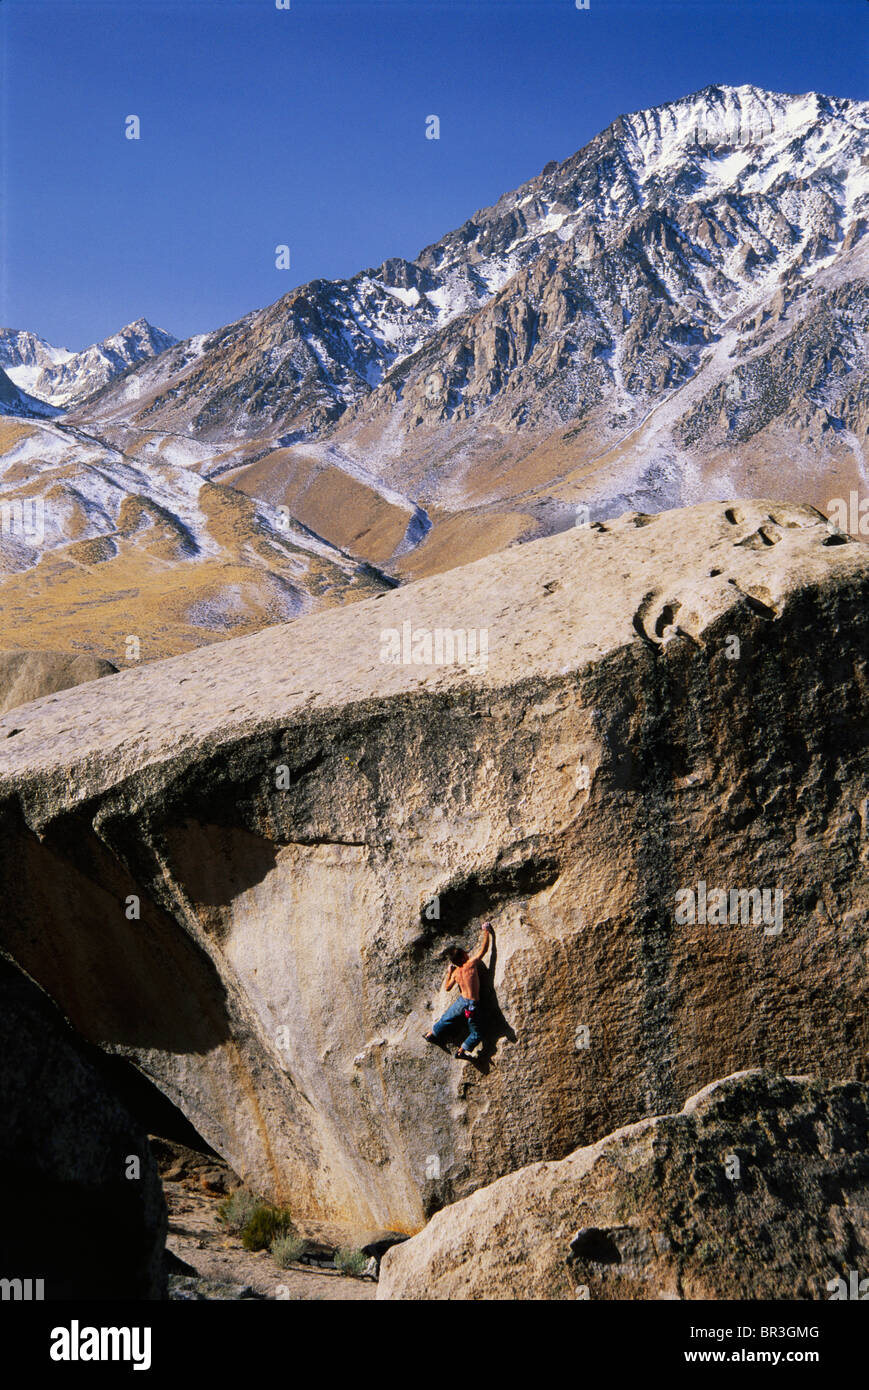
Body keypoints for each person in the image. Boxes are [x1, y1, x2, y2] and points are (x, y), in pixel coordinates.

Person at [423, 923, 492, 1060]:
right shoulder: (470, 964)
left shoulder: (456, 973)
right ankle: (462, 1050)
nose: (467, 953)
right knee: (477, 1033)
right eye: (465, 953)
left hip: (461, 1001)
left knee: (446, 1018)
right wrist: (487, 932)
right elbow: (484, 950)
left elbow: (447, 987)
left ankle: (432, 1034)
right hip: (472, 1004)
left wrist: (449, 973)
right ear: (462, 957)